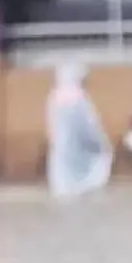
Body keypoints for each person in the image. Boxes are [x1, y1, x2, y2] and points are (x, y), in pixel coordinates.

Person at [45, 63, 111, 199]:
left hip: (62, 146)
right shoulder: (78, 98)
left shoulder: (55, 97)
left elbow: (52, 124)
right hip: (79, 145)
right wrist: (100, 141)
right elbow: (89, 124)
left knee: (65, 177)